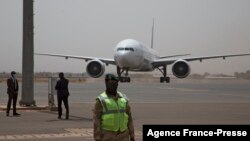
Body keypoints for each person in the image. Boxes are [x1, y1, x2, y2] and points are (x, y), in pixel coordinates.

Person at [93, 74, 135, 141]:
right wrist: (97, 137)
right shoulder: (101, 100)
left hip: (123, 135)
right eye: (111, 83)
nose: (113, 85)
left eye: (115, 83)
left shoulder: (123, 99)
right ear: (106, 83)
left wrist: (132, 135)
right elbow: (96, 120)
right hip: (108, 136)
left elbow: (129, 118)